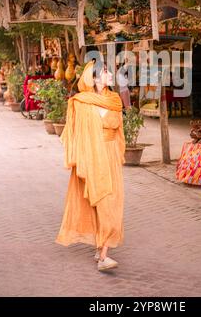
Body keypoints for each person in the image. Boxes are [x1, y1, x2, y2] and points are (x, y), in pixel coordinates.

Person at [56, 60, 125, 272]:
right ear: (93, 78)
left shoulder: (114, 99)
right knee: (97, 203)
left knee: (111, 203)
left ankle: (103, 253)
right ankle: (101, 250)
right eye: (105, 72)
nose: (110, 74)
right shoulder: (81, 102)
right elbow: (75, 133)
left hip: (110, 156)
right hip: (93, 157)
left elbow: (117, 129)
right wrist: (83, 156)